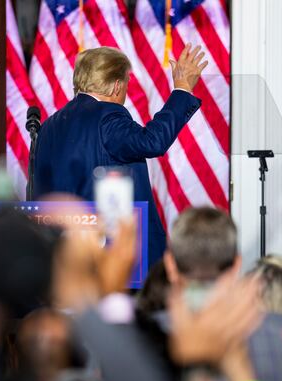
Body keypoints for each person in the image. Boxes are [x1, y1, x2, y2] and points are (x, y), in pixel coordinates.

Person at [33, 45, 208, 265]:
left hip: (64, 255)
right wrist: (182, 90)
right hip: (113, 255)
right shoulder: (107, 116)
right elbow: (152, 142)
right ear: (117, 85)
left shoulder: (50, 126)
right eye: (126, 82)